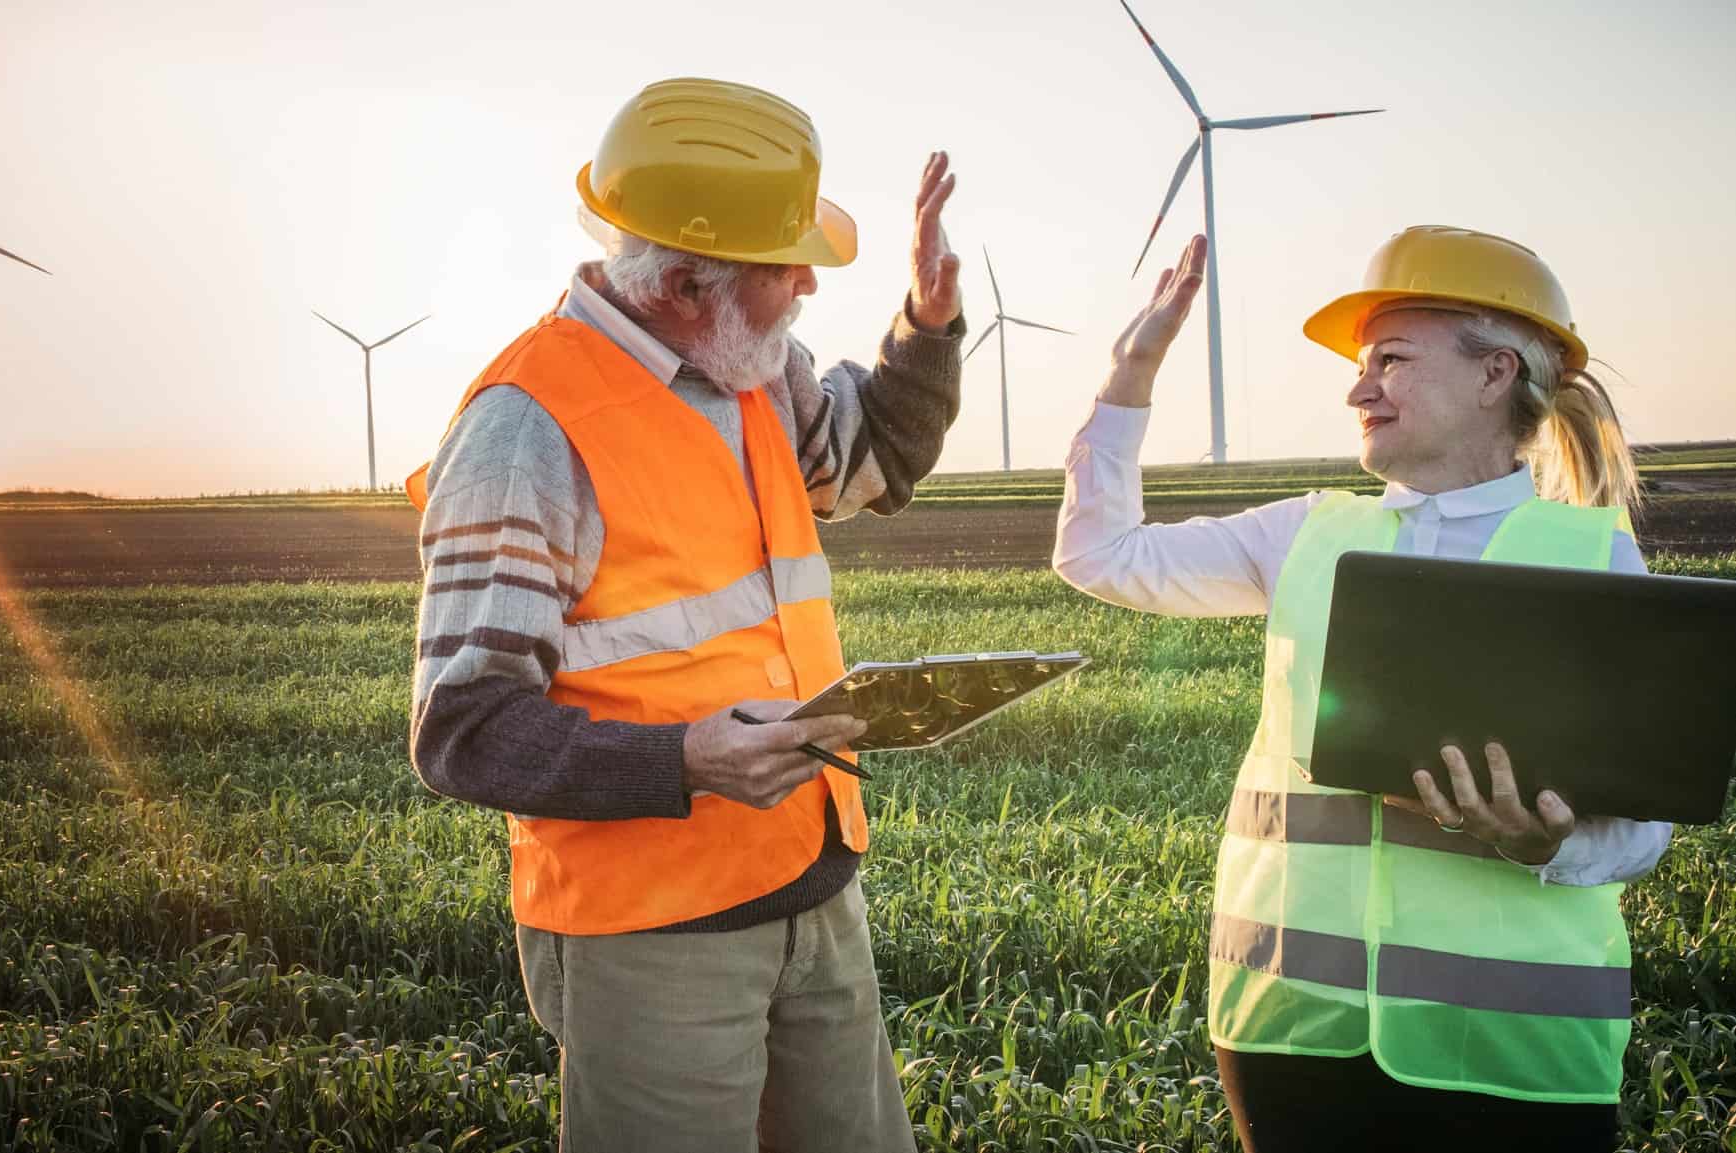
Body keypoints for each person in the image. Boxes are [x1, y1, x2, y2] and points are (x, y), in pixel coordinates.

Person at [404, 77, 966, 1150]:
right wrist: (684, 761)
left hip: (811, 888)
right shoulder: (528, 429)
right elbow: (461, 729)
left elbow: (873, 463)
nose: (808, 281)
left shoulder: (751, 369)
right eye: (782, 262)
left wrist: (926, 327)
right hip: (650, 936)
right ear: (681, 283)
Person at [1053, 227, 1673, 1152]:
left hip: (1513, 1051)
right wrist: (1129, 370)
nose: (1357, 386)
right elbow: (1099, 554)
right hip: (1291, 1030)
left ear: (1493, 373)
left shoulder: (1594, 558)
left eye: (1389, 358)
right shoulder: (1301, 533)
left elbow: (1644, 825)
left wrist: (1547, 842)